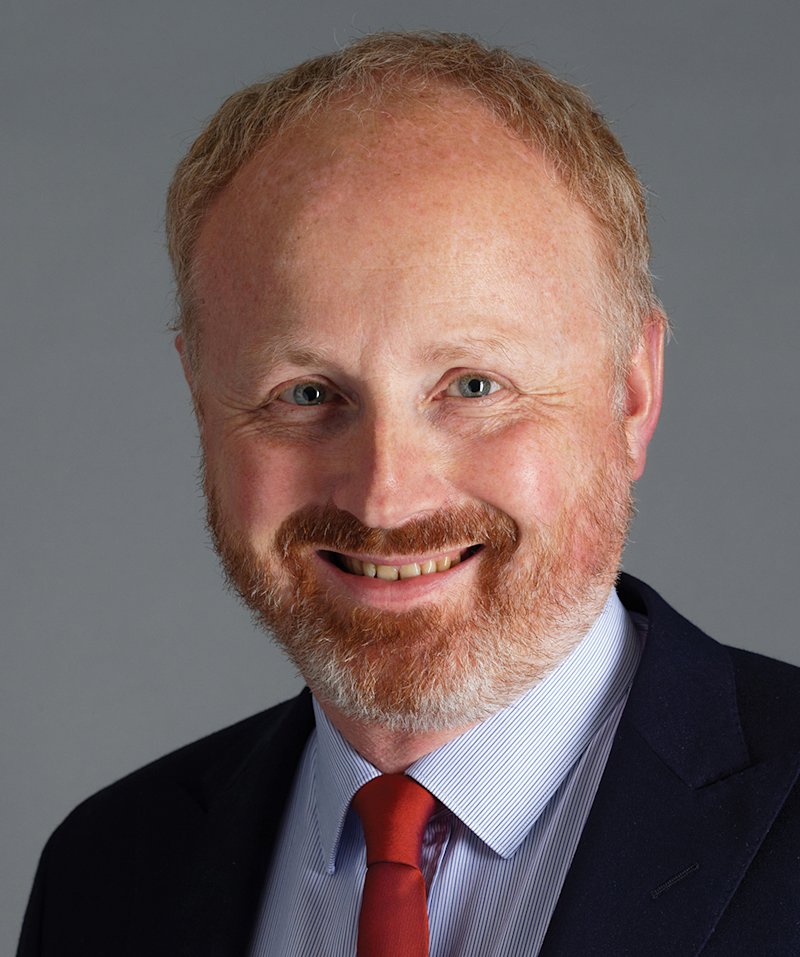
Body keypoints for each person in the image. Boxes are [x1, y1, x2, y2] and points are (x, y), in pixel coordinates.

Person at [17, 31, 800, 956]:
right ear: (201, 403)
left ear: (632, 393)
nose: (384, 498)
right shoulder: (107, 873)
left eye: (473, 385)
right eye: (306, 395)